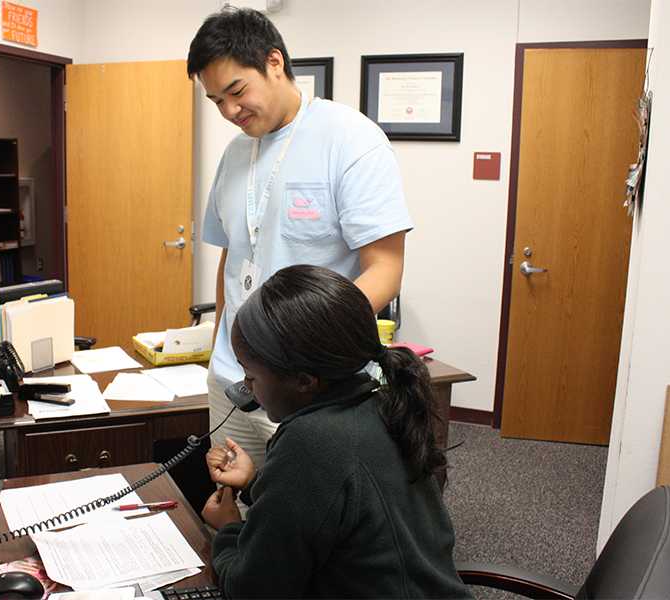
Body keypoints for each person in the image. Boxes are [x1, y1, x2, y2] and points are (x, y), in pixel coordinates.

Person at [187, 7, 413, 470]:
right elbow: (232, 258)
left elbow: (386, 271)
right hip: (232, 379)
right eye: (216, 101)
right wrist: (220, 348)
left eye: (236, 91)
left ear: (274, 62)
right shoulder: (233, 155)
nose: (229, 111)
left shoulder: (351, 140)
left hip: (310, 384)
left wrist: (298, 344)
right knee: (237, 511)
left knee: (311, 525)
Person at [200, 265, 471, 599]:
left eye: (251, 377)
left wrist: (227, 528)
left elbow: (252, 590)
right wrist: (255, 483)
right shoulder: (384, 404)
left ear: (303, 380)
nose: (246, 388)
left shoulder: (310, 439)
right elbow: (343, 507)